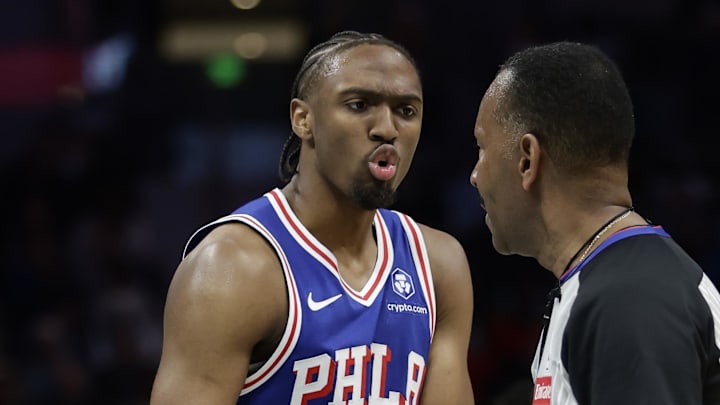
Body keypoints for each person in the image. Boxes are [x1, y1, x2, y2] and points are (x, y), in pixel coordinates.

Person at [150, 30, 475, 404]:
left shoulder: (438, 265)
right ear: (303, 119)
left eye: (406, 111)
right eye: (359, 104)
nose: (386, 128)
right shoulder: (231, 269)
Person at [469, 41, 720, 404]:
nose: (475, 175)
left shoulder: (629, 300)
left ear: (527, 160)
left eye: (481, 148)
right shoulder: (608, 283)